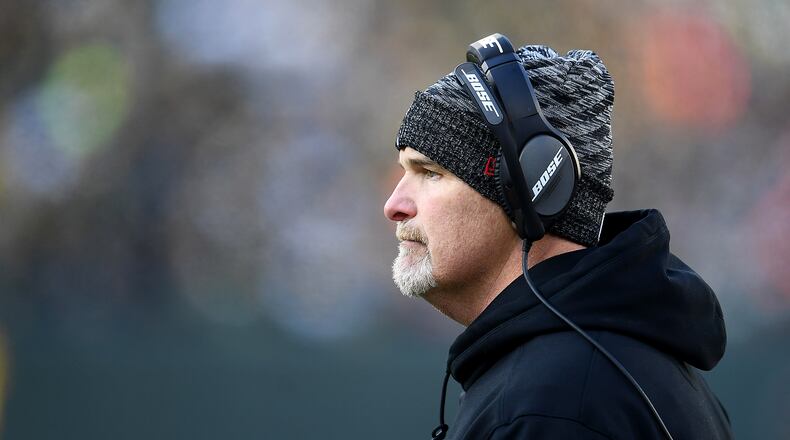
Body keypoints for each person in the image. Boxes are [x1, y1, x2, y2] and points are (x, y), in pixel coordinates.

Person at [383, 37, 733, 439]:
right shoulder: (625, 372)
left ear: (533, 188)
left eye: (430, 172)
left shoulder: (549, 407)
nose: (395, 204)